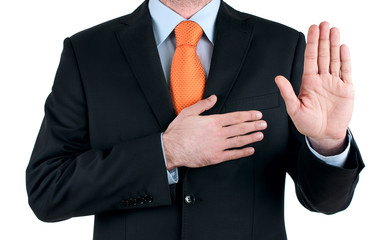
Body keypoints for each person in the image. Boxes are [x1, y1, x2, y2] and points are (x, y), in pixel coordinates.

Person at [26, 0, 364, 239]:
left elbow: (326, 202)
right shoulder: (88, 52)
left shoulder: (282, 46)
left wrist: (328, 142)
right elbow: (48, 191)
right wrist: (165, 153)